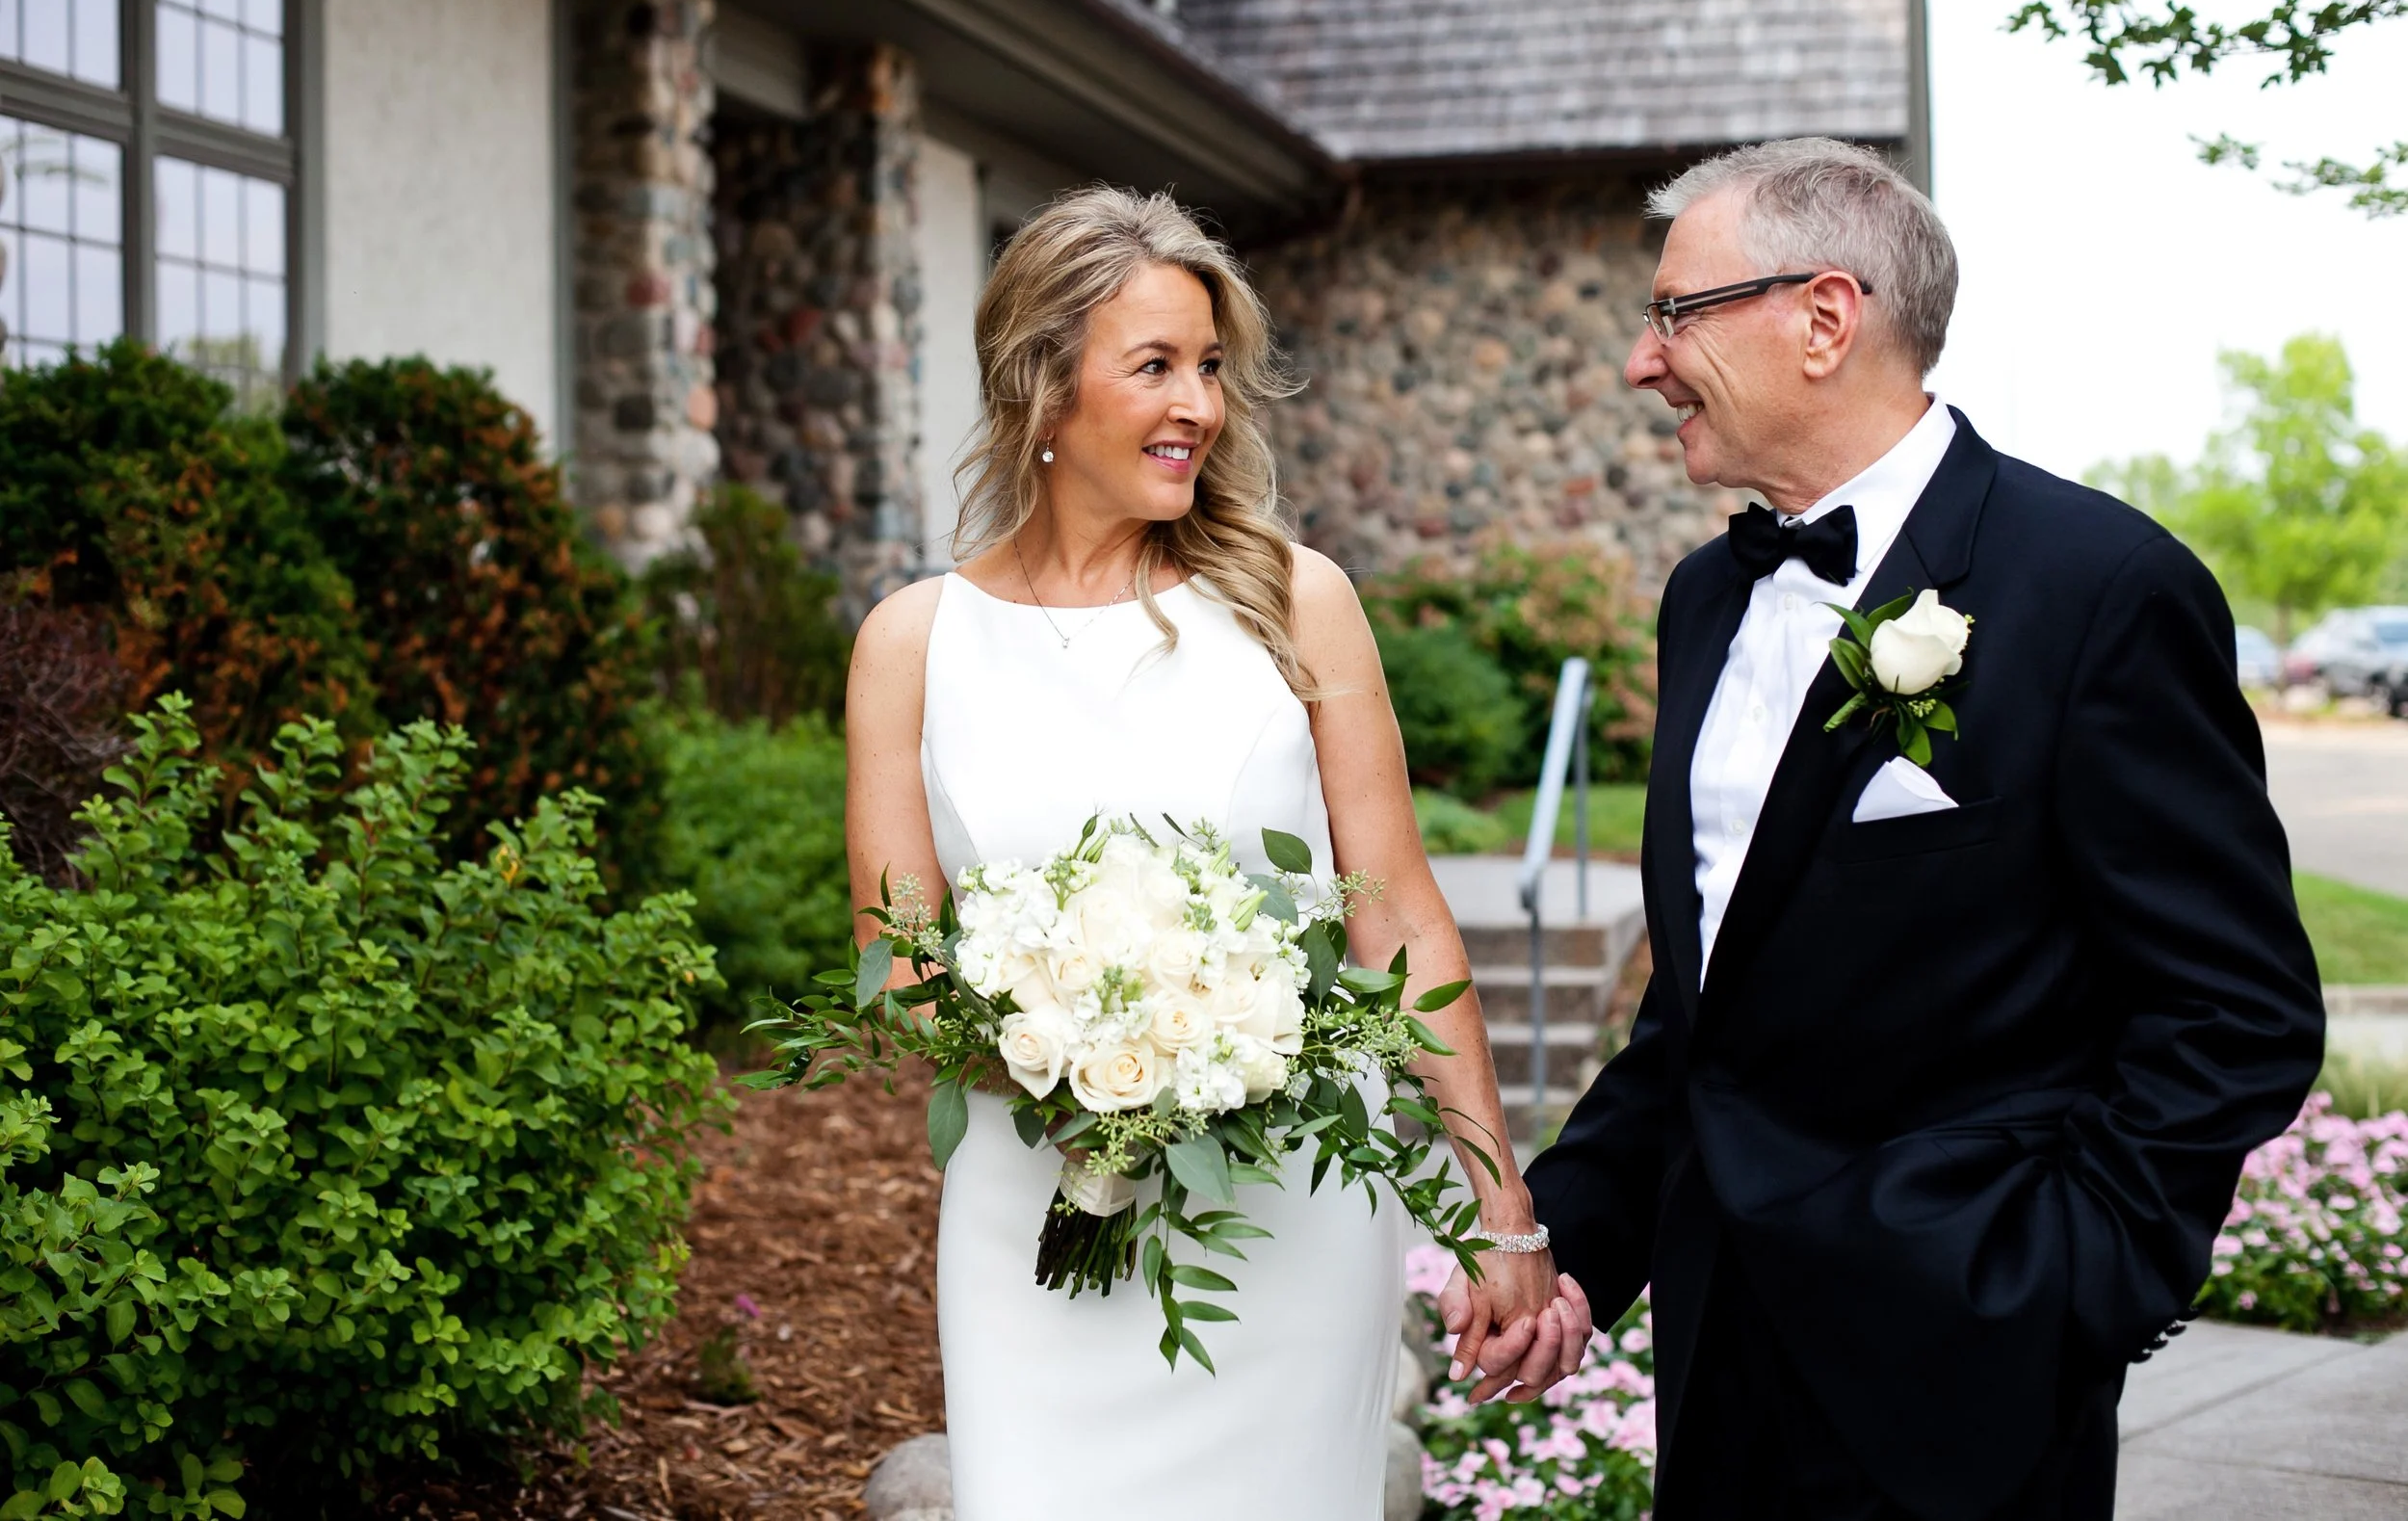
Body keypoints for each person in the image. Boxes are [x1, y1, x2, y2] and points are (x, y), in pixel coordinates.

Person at [1445, 138, 2326, 1519]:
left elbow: (2237, 1008)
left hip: (1969, 1372)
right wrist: (1578, 1244)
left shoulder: (2100, 588)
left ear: (1824, 318)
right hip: (1721, 1358)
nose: (1640, 361)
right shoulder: (1703, 599)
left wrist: (2069, 1280)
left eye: (1675, 313)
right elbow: (1706, 1007)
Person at [844, 185, 1584, 1520]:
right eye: (1155, 366)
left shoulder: (1298, 601)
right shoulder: (913, 644)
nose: (1200, 404)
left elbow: (1398, 915)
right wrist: (1089, 1055)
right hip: (1032, 1218)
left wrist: (1498, 1207)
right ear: (1041, 386)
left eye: (1210, 367)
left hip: (1291, 1213)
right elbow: (898, 976)